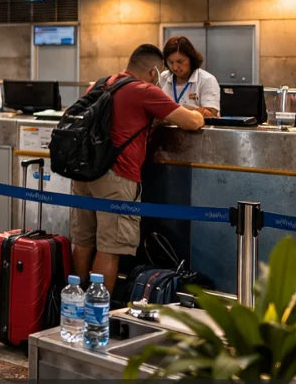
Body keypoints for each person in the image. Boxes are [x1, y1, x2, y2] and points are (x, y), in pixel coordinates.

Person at [71, 45, 205, 290]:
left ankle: (74, 307)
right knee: (109, 249)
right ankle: (96, 319)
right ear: (154, 71)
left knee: (83, 242)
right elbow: (192, 122)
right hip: (117, 178)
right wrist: (201, 113)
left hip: (83, 173)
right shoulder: (143, 90)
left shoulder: (99, 84)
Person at [159, 36, 220, 118]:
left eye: (180, 61)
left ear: (191, 59)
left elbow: (211, 114)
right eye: (171, 62)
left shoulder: (207, 80)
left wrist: (172, 114)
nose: (175, 67)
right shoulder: (163, 77)